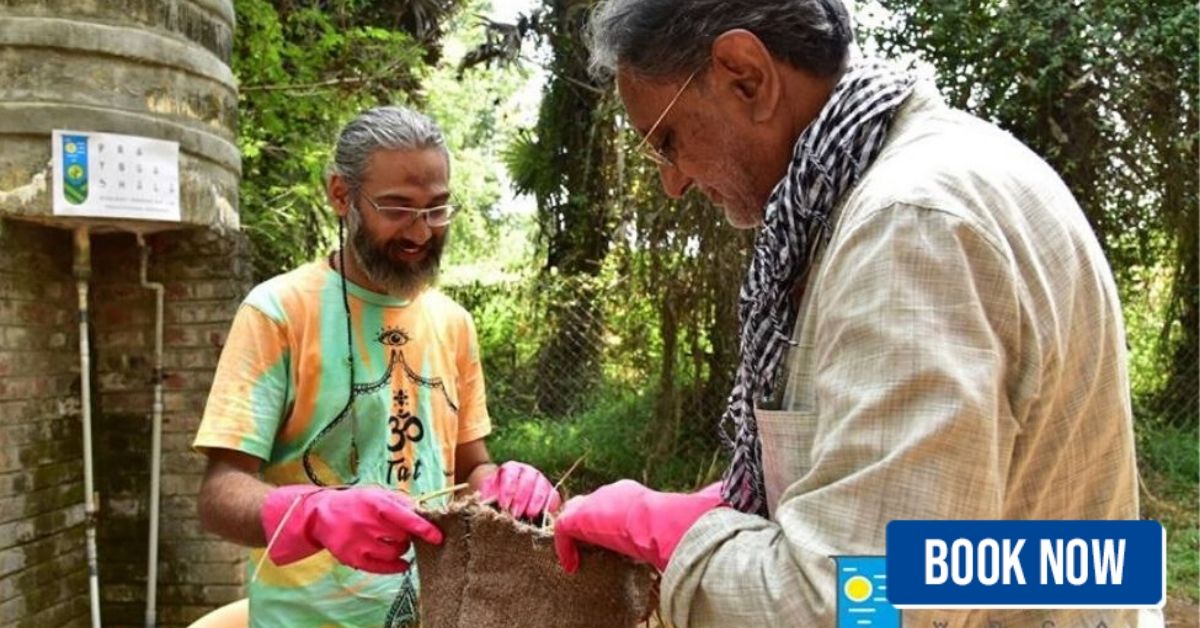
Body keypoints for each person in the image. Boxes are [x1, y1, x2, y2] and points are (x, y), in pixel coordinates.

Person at [553, 1, 1158, 626]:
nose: (672, 182)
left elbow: (866, 603)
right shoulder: (933, 172)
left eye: (668, 141)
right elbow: (1025, 556)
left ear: (745, 77)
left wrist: (685, 544)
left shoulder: (907, 227)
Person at [194, 106, 560, 628]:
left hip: (439, 613)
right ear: (342, 195)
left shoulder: (452, 322)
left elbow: (468, 470)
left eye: (437, 209)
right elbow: (219, 493)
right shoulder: (277, 312)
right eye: (398, 207)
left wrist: (506, 484)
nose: (421, 231)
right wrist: (313, 514)